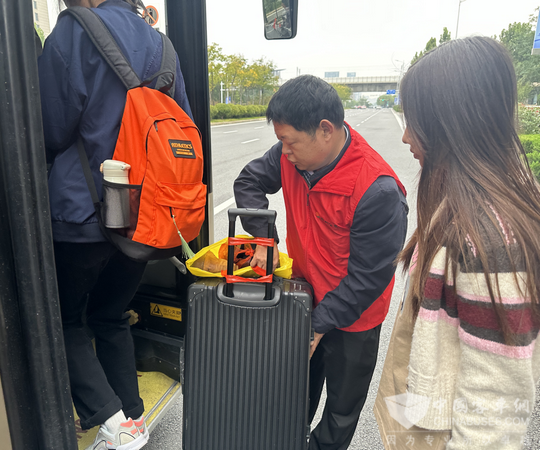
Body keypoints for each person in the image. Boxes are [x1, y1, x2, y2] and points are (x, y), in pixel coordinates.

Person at [38, 1, 192, 449]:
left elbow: (49, 128)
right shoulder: (163, 47)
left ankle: (112, 423)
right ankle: (133, 416)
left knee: (63, 319)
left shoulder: (73, 31)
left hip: (81, 213)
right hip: (143, 218)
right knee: (109, 315)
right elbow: (180, 122)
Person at [234, 74, 408, 450]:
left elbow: (367, 279)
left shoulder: (377, 189)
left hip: (355, 317)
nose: (284, 152)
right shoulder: (289, 156)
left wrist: (318, 326)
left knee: (340, 413)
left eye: (290, 142)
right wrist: (264, 238)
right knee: (291, 394)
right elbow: (248, 182)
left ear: (325, 130)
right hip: (305, 297)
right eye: (281, 142)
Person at [391, 36, 540, 448]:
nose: (406, 137)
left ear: (452, 125)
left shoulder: (492, 237)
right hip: (429, 422)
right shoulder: (460, 206)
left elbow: (493, 407)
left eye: (416, 122)